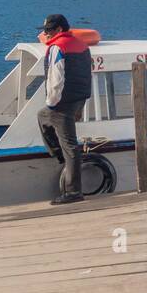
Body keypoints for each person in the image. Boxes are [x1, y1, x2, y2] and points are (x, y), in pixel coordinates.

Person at [37, 14, 93, 204]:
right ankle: (60, 155)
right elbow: (87, 73)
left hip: (62, 102)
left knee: (69, 145)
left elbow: (56, 79)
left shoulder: (57, 47)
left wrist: (52, 103)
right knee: (42, 117)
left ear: (59, 30)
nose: (46, 34)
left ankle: (73, 192)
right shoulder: (81, 45)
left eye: (49, 30)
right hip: (80, 98)